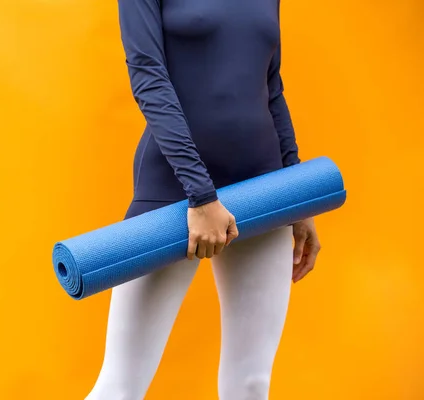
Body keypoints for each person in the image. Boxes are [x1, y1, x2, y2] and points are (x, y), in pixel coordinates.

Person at [85, 0, 321, 399]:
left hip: (263, 193)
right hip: (174, 193)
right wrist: (201, 195)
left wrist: (297, 195)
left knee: (251, 385)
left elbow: (272, 87)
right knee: (120, 386)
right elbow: (147, 78)